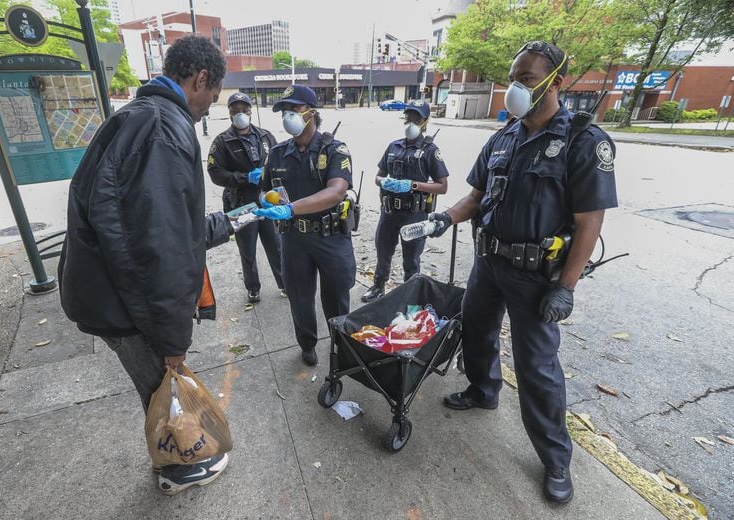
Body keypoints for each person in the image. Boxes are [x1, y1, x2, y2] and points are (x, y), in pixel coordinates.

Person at [428, 41, 617, 503]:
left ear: (555, 81)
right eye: (513, 78)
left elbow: (589, 220)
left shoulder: (582, 141)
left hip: (537, 276)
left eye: (526, 79)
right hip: (490, 261)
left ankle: (555, 460)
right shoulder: (503, 137)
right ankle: (483, 389)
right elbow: (474, 198)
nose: (515, 87)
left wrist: (566, 287)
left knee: (537, 369)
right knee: (476, 330)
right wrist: (443, 218)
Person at [58, 35, 233, 496]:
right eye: (211, 98)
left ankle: (171, 460)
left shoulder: (139, 116)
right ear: (199, 80)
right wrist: (172, 338)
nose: (208, 108)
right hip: (127, 305)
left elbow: (162, 221)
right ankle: (178, 468)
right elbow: (159, 248)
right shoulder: (163, 128)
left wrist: (227, 222)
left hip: (108, 292)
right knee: (163, 391)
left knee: (158, 389)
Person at [254, 85, 356, 366]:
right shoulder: (276, 153)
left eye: (294, 109)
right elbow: (263, 190)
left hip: (330, 236)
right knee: (299, 299)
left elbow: (336, 191)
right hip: (293, 240)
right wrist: (267, 200)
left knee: (336, 299)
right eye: (284, 111)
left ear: (311, 112)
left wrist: (290, 208)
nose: (288, 116)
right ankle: (307, 344)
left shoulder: (334, 149)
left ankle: (341, 346)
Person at [361, 100, 449, 302]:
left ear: (425, 121)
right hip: (389, 212)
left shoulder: (430, 150)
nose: (411, 121)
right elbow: (377, 177)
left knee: (411, 260)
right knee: (383, 252)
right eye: (409, 116)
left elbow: (442, 186)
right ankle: (378, 286)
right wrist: (384, 182)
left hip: (414, 214)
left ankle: (409, 295)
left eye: (416, 118)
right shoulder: (394, 146)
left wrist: (413, 185)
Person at [207, 92, 285, 303]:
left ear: (251, 110)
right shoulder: (222, 142)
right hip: (240, 203)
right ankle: (253, 288)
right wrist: (243, 177)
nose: (240, 113)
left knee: (275, 246)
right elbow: (215, 173)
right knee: (247, 249)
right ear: (229, 112)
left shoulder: (266, 136)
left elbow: (278, 164)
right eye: (235, 109)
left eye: (244, 108)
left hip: (267, 202)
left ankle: (284, 283)